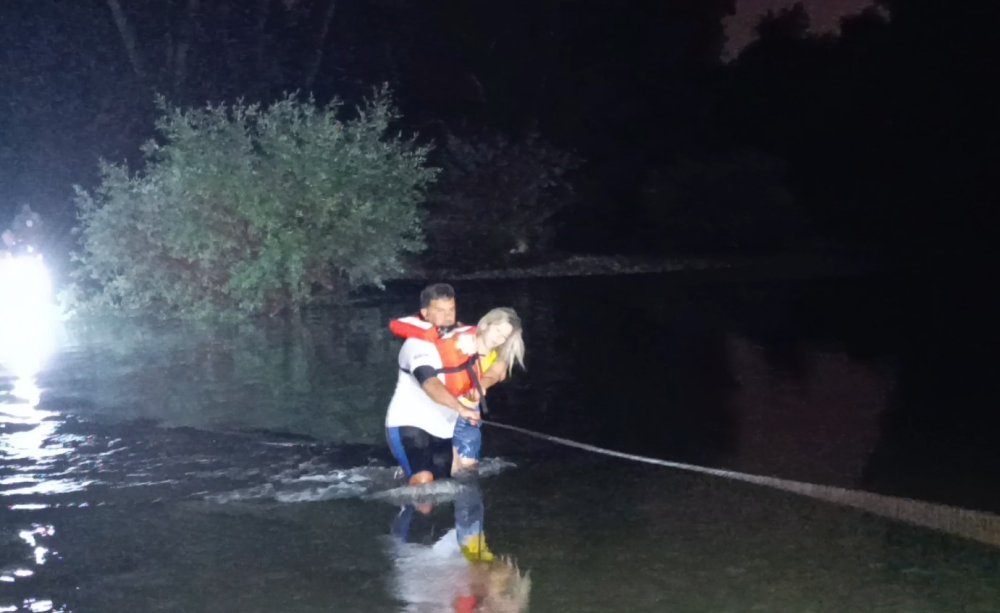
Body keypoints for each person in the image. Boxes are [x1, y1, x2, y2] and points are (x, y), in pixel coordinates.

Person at [385, 283, 482, 486]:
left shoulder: (461, 344)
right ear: (425, 314)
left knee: (449, 482)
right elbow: (430, 383)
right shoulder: (415, 346)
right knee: (424, 481)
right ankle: (406, 510)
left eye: (451, 310)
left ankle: (401, 478)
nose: (447, 316)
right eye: (440, 310)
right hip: (409, 424)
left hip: (443, 428)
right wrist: (460, 408)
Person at [450, 307, 525, 475]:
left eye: (504, 337)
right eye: (497, 331)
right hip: (444, 410)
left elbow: (494, 374)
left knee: (468, 470)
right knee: (451, 466)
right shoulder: (459, 342)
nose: (499, 339)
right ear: (485, 325)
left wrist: (481, 385)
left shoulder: (499, 356)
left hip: (470, 412)